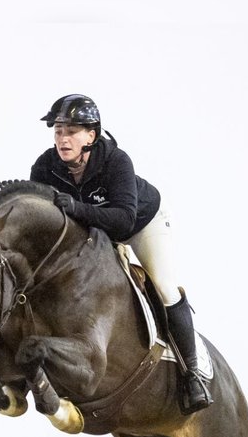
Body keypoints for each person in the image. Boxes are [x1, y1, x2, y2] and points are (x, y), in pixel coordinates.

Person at [29, 94, 213, 415]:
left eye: (71, 130)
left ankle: (191, 375)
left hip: (142, 224)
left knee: (165, 288)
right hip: (95, 232)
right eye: (58, 131)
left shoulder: (116, 161)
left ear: (92, 135)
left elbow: (124, 219)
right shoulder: (45, 168)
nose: (62, 138)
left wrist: (76, 208)